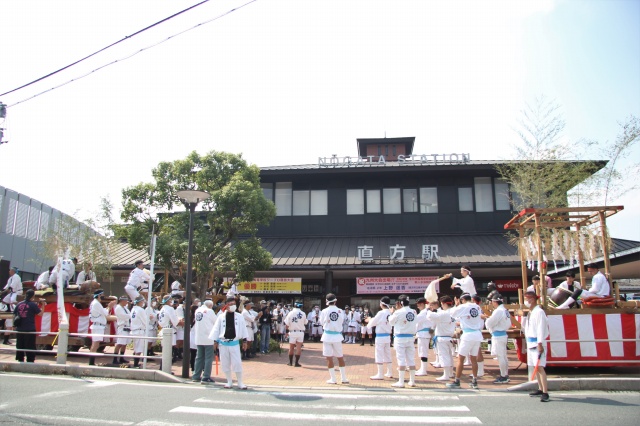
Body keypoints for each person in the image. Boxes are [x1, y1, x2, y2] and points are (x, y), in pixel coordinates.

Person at [209, 296, 249, 389]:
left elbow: (243, 329)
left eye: (234, 304)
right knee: (225, 363)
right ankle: (229, 381)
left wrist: (245, 341)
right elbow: (216, 329)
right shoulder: (221, 316)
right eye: (231, 304)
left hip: (234, 343)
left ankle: (240, 382)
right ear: (226, 306)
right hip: (223, 343)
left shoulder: (239, 316)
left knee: (237, 363)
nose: (233, 306)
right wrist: (215, 341)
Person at [446, 294, 483, 389]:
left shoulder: (463, 306)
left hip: (467, 335)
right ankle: (475, 381)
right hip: (477, 334)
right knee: (473, 359)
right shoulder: (477, 306)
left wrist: (456, 304)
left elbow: (451, 313)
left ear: (462, 299)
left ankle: (457, 380)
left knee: (460, 358)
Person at [523, 290, 550, 402]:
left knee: (540, 367)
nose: (526, 301)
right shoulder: (531, 311)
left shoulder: (539, 312)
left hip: (537, 342)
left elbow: (541, 328)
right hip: (531, 342)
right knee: (535, 366)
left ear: (533, 299)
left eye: (527, 299)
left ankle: (545, 392)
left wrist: (539, 343)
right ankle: (540, 388)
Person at [388, 294, 418, 388]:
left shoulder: (398, 312)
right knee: (411, 359)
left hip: (400, 337)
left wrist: (393, 313)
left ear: (400, 303)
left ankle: (401, 382)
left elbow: (391, 322)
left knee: (401, 359)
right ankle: (412, 381)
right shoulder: (414, 311)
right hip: (410, 337)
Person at [320, 293, 349, 384]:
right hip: (337, 336)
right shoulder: (340, 311)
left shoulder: (324, 311)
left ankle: (333, 379)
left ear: (327, 301)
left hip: (327, 336)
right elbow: (341, 321)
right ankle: (343, 378)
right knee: (340, 357)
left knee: (329, 358)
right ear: (335, 301)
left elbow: (321, 322)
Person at [427, 296, 456, 381]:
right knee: (449, 356)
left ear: (443, 304)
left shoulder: (444, 313)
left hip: (443, 338)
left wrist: (428, 309)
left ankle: (446, 375)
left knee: (444, 356)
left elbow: (430, 316)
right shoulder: (452, 313)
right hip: (449, 337)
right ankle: (450, 373)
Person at [484, 294, 512, 383]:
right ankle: (505, 374)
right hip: (502, 334)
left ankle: (503, 375)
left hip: (498, 335)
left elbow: (490, 323)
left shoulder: (498, 311)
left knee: (501, 356)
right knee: (503, 356)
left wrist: (488, 321)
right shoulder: (504, 310)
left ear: (495, 302)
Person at [14, 289, 45, 362]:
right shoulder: (33, 305)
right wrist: (43, 304)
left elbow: (14, 315)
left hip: (19, 328)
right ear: (33, 296)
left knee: (20, 345)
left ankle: (20, 359)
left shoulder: (19, 304)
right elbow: (40, 314)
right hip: (29, 328)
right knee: (30, 345)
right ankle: (30, 360)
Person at [367, 296, 393, 380]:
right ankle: (389, 372)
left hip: (380, 336)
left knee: (379, 354)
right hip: (387, 336)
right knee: (387, 353)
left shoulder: (381, 313)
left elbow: (373, 322)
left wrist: (369, 320)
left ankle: (380, 373)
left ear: (382, 304)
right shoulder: (390, 312)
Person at [88, 290, 116, 365]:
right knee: (95, 344)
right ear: (99, 295)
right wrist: (109, 307)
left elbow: (103, 311)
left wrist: (108, 307)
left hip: (98, 326)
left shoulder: (96, 303)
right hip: (97, 326)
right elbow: (105, 313)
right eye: (102, 295)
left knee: (96, 344)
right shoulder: (96, 303)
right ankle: (91, 362)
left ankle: (92, 361)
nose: (103, 296)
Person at [193, 300, 217, 384]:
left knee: (199, 357)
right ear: (210, 305)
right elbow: (216, 322)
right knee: (208, 358)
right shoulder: (210, 311)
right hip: (208, 337)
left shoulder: (197, 310)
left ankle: (196, 375)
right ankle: (206, 376)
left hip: (199, 337)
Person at [414, 297, 435, 376]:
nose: (418, 306)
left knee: (423, 352)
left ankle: (423, 370)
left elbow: (416, 320)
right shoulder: (425, 311)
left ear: (422, 304)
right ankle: (422, 368)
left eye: (419, 305)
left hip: (423, 334)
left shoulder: (424, 312)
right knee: (422, 351)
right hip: (422, 334)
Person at [2, 267, 22, 344]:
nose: (9, 271)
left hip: (17, 292)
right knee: (4, 300)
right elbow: (7, 287)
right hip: (12, 293)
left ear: (13, 271)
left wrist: (4, 292)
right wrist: (2, 291)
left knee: (13, 301)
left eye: (10, 270)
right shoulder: (11, 278)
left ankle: (16, 308)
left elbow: (11, 287)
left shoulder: (16, 277)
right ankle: (7, 309)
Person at [158, 294, 181, 362]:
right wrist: (179, 321)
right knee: (168, 350)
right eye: (171, 300)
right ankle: (165, 367)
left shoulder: (162, 308)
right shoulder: (170, 309)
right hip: (169, 330)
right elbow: (175, 321)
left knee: (165, 350)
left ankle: (163, 367)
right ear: (168, 301)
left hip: (163, 329)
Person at [284, 301, 308, 367]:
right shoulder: (303, 313)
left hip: (292, 332)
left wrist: (286, 332)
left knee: (291, 347)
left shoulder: (290, 313)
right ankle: (296, 363)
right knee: (299, 347)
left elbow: (286, 324)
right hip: (300, 332)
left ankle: (290, 362)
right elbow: (306, 322)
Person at [130, 296, 148, 368]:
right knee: (139, 349)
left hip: (134, 330)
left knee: (136, 348)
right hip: (139, 331)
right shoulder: (140, 310)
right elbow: (145, 321)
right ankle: (135, 364)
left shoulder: (133, 309)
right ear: (140, 302)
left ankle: (135, 363)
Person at [113, 295, 132, 365]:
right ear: (122, 301)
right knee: (120, 343)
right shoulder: (118, 308)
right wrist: (130, 315)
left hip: (127, 327)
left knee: (124, 343)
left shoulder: (125, 308)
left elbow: (129, 314)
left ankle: (121, 357)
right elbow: (123, 316)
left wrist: (130, 315)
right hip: (122, 326)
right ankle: (115, 359)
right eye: (126, 301)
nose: (127, 302)